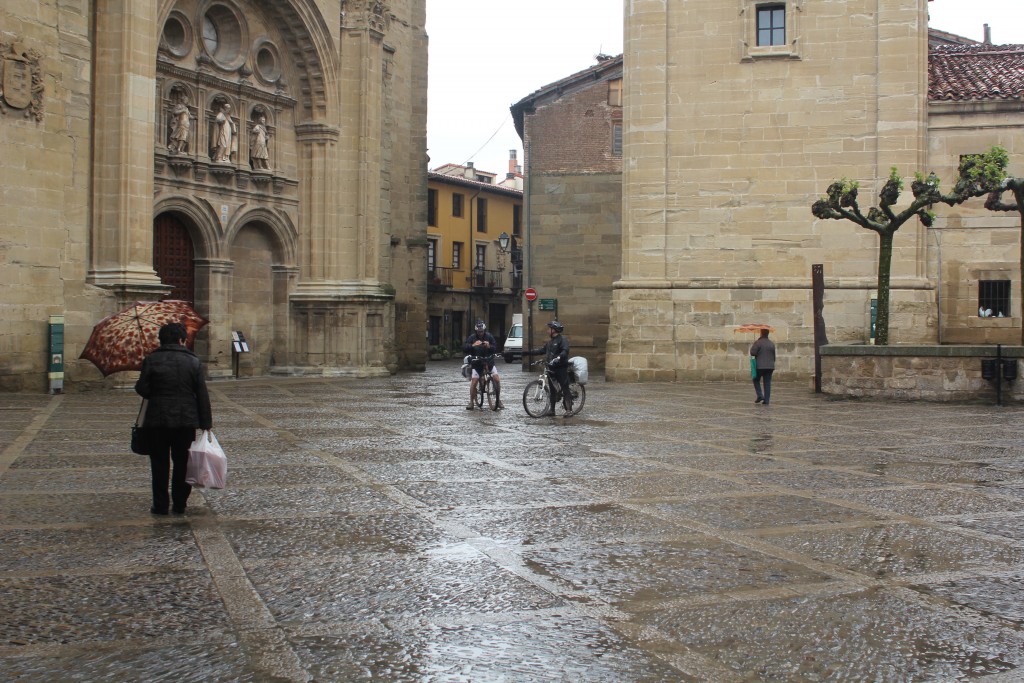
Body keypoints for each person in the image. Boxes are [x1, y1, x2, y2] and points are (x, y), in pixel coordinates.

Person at [135, 322, 213, 515]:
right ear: (181, 339)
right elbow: (202, 394)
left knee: (159, 463)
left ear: (161, 340)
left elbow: (142, 389)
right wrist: (206, 424)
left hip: (157, 419)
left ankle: (160, 505)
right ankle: (179, 503)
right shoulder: (193, 362)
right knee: (182, 463)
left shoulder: (152, 359)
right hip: (185, 420)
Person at [525, 320, 573, 416]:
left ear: (554, 330)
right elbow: (541, 351)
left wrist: (559, 357)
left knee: (564, 388)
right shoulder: (550, 343)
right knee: (552, 389)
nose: (547, 330)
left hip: (561, 367)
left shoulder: (562, 340)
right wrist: (527, 352)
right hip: (551, 368)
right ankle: (552, 410)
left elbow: (565, 350)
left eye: (549, 329)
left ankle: (569, 410)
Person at [463, 320, 503, 410]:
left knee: (497, 379)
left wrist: (489, 346)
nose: (480, 333)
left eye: (482, 331)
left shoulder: (489, 336)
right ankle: (471, 402)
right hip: (477, 363)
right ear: (476, 331)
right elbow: (465, 347)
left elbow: (495, 347)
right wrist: (473, 345)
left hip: (489, 361)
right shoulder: (472, 337)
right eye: (479, 332)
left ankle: (498, 400)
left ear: (484, 330)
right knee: (474, 381)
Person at [750, 327, 776, 405]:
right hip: (770, 366)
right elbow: (774, 356)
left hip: (760, 366)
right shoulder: (771, 343)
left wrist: (754, 345)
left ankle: (760, 395)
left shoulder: (758, 342)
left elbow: (753, 353)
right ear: (768, 334)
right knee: (767, 383)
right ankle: (767, 400)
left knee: (756, 379)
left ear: (761, 333)